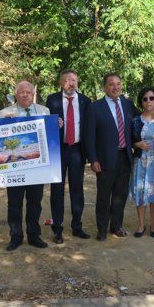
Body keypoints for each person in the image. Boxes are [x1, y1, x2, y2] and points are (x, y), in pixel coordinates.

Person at [0, 80, 52, 250]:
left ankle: (34, 235)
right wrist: (4, 123)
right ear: (16, 94)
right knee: (14, 202)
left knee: (35, 202)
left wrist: (56, 126)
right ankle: (15, 236)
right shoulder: (4, 113)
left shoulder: (44, 111)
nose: (25, 95)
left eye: (28, 92)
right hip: (14, 167)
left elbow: (49, 137)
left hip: (37, 167)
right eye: (21, 92)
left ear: (33, 93)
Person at [84, 73, 138, 241]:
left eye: (118, 84)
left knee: (120, 195)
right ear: (104, 87)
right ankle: (101, 229)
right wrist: (93, 159)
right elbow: (89, 136)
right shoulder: (95, 107)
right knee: (103, 195)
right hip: (105, 158)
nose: (115, 87)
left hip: (125, 157)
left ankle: (116, 226)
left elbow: (140, 122)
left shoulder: (129, 105)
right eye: (111, 84)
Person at [46, 70, 91, 244]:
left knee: (77, 189)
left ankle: (77, 226)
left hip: (77, 150)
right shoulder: (52, 100)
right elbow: (45, 122)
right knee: (57, 190)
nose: (70, 83)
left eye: (73, 80)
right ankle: (57, 228)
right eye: (67, 80)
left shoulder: (85, 101)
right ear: (61, 83)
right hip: (58, 150)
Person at [130, 87, 154, 238]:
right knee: (141, 192)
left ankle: (153, 224)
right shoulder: (136, 120)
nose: (148, 101)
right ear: (141, 101)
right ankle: (141, 224)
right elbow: (129, 140)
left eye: (151, 98)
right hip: (140, 161)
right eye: (145, 98)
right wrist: (137, 145)